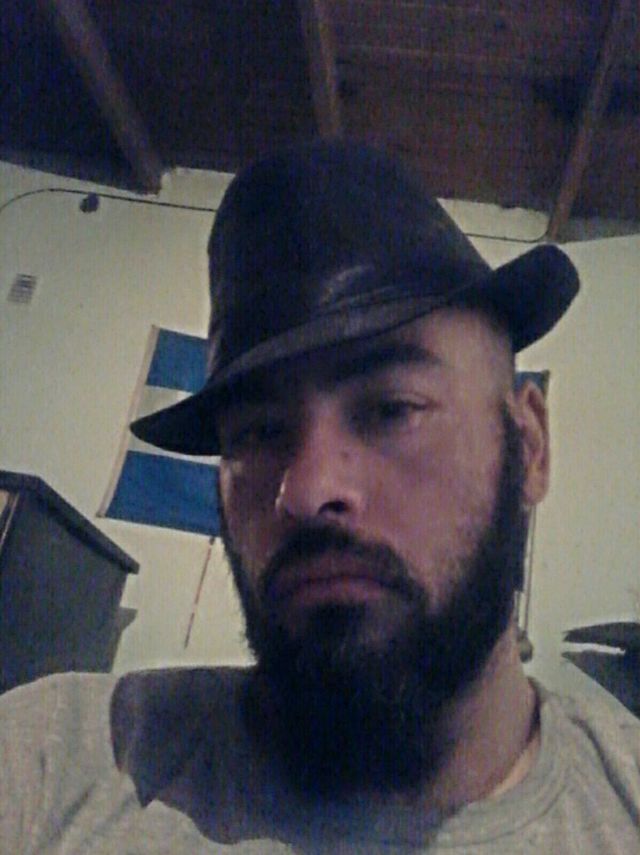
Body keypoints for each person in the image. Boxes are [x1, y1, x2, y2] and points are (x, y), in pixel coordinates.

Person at [1, 141, 638, 853]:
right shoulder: (60, 766)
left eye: (390, 409)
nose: (303, 490)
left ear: (530, 446)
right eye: (258, 431)